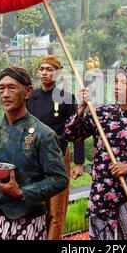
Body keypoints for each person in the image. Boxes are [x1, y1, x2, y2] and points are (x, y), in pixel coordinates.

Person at [64, 66, 127, 240]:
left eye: (124, 82)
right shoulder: (101, 114)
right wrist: (81, 109)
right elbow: (71, 134)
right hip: (100, 194)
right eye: (116, 81)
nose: (117, 86)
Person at [0, 66, 68, 240]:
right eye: (1, 88)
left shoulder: (44, 134)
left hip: (28, 223)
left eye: (11, 88)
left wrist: (22, 192)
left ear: (27, 92)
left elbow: (60, 179)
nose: (5, 94)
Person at [26, 55, 85, 240]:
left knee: (56, 209)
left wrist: (79, 162)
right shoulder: (31, 97)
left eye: (49, 69)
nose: (44, 72)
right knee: (37, 206)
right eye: (42, 69)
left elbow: (77, 129)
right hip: (34, 158)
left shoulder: (66, 97)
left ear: (58, 73)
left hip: (59, 156)